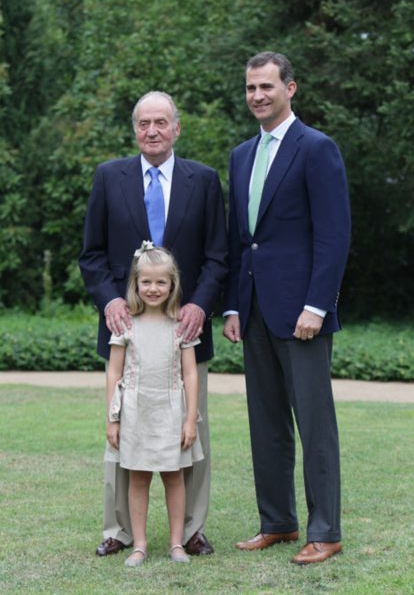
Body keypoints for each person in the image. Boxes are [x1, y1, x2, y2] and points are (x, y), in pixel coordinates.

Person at [79, 90, 227, 557]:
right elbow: (92, 255)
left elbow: (219, 256)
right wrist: (109, 302)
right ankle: (118, 530)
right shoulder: (109, 178)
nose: (152, 131)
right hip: (127, 332)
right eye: (144, 123)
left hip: (185, 333)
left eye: (161, 122)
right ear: (135, 129)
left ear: (177, 128)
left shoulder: (203, 181)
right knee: (123, 429)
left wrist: (200, 305)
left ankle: (192, 530)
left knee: (192, 431)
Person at [223, 52, 351, 565]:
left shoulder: (317, 149)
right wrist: (232, 305)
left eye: (267, 87)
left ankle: (326, 531)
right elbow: (241, 241)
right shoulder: (240, 156)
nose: (257, 96)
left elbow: (334, 235)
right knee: (267, 423)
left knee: (314, 423)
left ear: (290, 88)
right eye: (251, 87)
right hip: (253, 311)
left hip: (302, 314)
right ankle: (277, 521)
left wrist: (317, 305)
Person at [107, 243, 203, 566]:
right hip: (136, 411)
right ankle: (140, 544)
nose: (153, 288)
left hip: (171, 411)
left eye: (161, 282)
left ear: (172, 284)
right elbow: (114, 372)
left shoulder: (181, 324)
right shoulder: (126, 324)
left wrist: (191, 419)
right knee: (138, 478)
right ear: (135, 284)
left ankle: (177, 543)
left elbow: (190, 373)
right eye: (145, 282)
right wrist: (113, 418)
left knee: (173, 477)